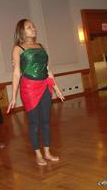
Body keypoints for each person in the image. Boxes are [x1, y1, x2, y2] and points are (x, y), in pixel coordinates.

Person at [7, 19, 65, 166]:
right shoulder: (18, 49)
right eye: (29, 27)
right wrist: (13, 97)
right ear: (22, 31)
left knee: (45, 122)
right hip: (29, 89)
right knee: (34, 123)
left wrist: (56, 88)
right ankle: (38, 154)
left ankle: (47, 152)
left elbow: (47, 69)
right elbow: (16, 73)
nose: (33, 28)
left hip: (45, 86)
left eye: (33, 26)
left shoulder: (40, 46)